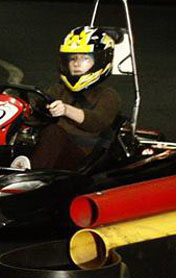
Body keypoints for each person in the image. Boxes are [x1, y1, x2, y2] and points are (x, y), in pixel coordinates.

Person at [26, 26, 121, 171]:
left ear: (100, 62)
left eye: (85, 58)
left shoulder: (107, 95)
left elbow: (98, 121)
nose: (76, 64)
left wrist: (66, 110)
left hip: (83, 157)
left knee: (54, 132)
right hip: (50, 150)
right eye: (73, 59)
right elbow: (36, 105)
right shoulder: (59, 89)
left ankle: (31, 176)